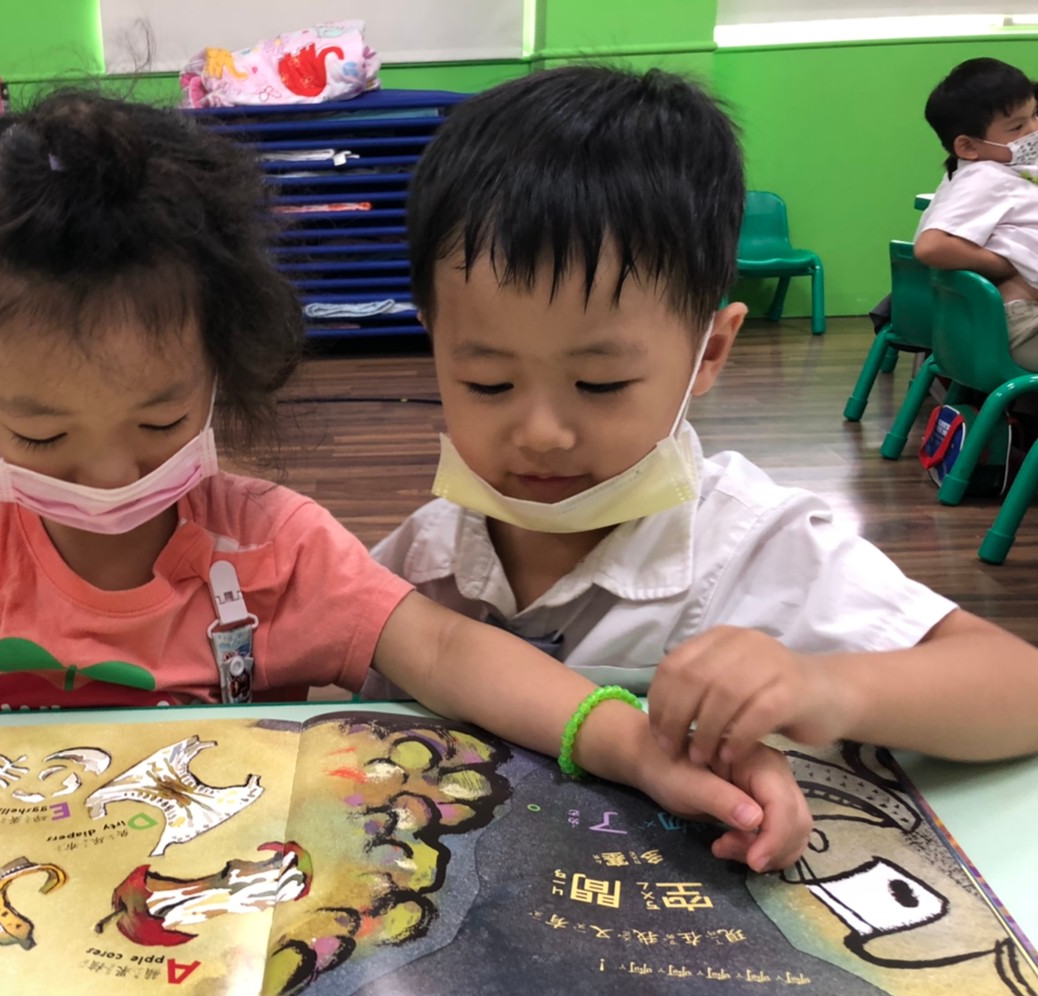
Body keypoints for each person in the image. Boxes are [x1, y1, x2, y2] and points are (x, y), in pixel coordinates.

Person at [0, 91, 809, 872]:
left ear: (219, 363)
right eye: (41, 432)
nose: (111, 473)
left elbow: (448, 650)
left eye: (161, 420)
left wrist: (626, 741)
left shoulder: (273, 545)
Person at [369, 65, 1038, 772]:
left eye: (600, 384)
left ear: (710, 352)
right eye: (488, 383)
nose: (541, 433)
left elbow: (1017, 687)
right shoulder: (426, 553)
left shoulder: (756, 549)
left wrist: (828, 686)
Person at [914, 57, 1038, 368]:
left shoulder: (1000, 172)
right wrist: (1006, 264)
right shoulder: (985, 176)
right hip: (1023, 325)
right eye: (1017, 127)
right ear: (969, 147)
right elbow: (931, 246)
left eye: (1035, 115)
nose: (1034, 130)